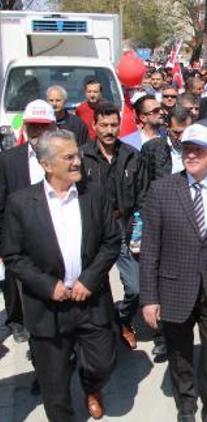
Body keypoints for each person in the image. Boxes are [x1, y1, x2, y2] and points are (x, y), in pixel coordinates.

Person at [2, 129, 120, 421]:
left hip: (90, 301)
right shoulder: (20, 203)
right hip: (47, 308)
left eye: (77, 155)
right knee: (54, 389)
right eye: (68, 157)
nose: (77, 161)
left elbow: (111, 242)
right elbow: (13, 256)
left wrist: (88, 279)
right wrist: (47, 285)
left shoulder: (94, 193)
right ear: (46, 164)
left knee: (102, 364)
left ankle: (91, 387)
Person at [140, 123, 207, 422]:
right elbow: (150, 249)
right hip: (175, 289)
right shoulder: (162, 190)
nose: (191, 155)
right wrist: (149, 298)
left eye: (199, 150)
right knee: (180, 356)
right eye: (187, 149)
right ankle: (186, 407)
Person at [80, 102, 148, 350]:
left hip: (124, 226)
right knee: (93, 285)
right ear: (94, 125)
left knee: (136, 287)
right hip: (92, 229)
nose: (109, 130)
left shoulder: (132, 155)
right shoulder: (81, 157)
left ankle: (123, 320)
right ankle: (101, 332)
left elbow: (143, 195)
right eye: (104, 125)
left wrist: (140, 229)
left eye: (113, 124)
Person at [0, 99, 57, 344]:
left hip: (54, 235)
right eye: (33, 126)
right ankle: (20, 322)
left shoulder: (64, 156)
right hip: (20, 237)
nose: (37, 132)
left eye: (43, 127)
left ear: (53, 127)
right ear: (25, 126)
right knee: (18, 285)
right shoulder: (9, 160)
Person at [142, 105, 192, 183]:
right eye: (176, 133)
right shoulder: (152, 148)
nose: (181, 138)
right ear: (167, 128)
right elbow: (144, 183)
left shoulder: (200, 149)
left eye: (186, 132)